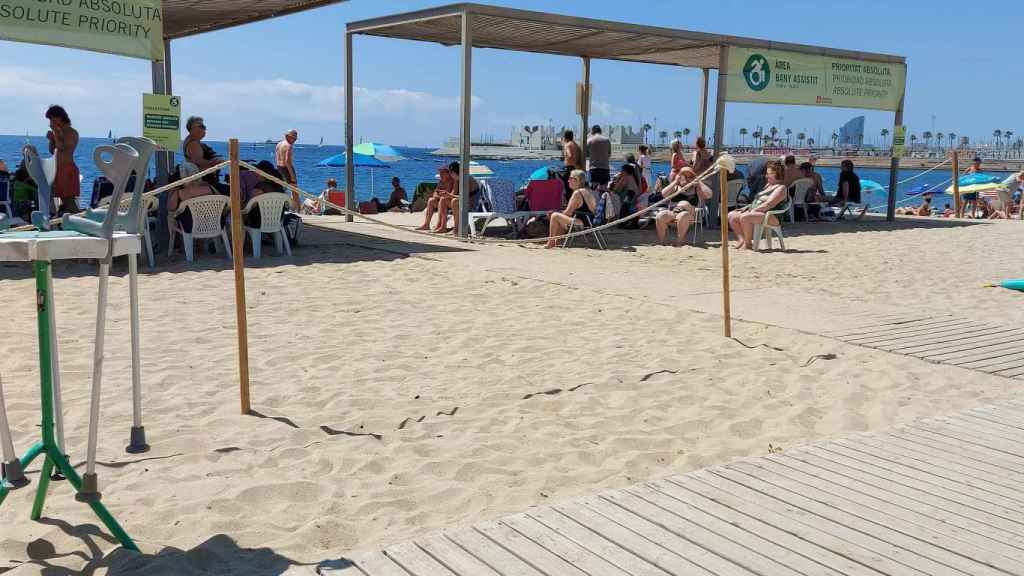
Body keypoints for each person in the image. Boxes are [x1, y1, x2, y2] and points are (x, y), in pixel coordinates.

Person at [728, 160, 788, 250]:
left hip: (772, 216)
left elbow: (769, 204)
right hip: (759, 212)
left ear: (777, 174)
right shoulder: (768, 185)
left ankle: (748, 244)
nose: (766, 176)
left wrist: (752, 210)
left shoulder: (781, 188)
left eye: (769, 174)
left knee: (745, 217)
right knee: (731, 215)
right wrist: (747, 207)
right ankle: (742, 240)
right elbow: (757, 200)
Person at [655, 167, 712, 246]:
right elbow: (664, 194)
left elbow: (709, 194)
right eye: (684, 176)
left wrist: (699, 182)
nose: (687, 178)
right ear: (679, 176)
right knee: (660, 215)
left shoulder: (696, 188)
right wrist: (675, 181)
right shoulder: (675, 188)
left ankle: (679, 241)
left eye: (690, 176)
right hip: (673, 215)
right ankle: (662, 241)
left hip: (689, 215)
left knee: (683, 211)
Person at [545, 169, 599, 249]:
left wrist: (554, 213)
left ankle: (551, 242)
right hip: (590, 223)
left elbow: (568, 213)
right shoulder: (588, 190)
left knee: (555, 216)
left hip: (582, 224)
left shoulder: (578, 193)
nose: (568, 181)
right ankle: (558, 241)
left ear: (578, 180)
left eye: (570, 178)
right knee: (559, 216)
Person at [45, 105, 80, 215]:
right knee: (64, 199)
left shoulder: (71, 133)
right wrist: (51, 140)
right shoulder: (58, 132)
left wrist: (55, 134)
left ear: (60, 117)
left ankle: (77, 218)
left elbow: (62, 147)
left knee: (68, 199)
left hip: (67, 169)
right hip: (58, 169)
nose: (51, 122)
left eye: (52, 119)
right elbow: (53, 151)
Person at [183, 116, 227, 193]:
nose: (204, 129)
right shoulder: (193, 144)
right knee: (236, 190)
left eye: (204, 126)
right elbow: (198, 163)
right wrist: (215, 162)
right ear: (192, 129)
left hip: (206, 181)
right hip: (206, 183)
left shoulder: (193, 142)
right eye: (201, 126)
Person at [434, 161, 480, 233]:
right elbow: (454, 193)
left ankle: (457, 228)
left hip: (471, 205)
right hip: (463, 202)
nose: (450, 175)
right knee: (443, 199)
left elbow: (464, 198)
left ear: (454, 173)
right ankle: (442, 227)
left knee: (454, 201)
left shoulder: (466, 179)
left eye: (450, 173)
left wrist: (449, 195)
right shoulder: (458, 179)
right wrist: (446, 195)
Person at [275, 129, 299, 210]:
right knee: (295, 191)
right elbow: (287, 162)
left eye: (295, 139)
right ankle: (297, 210)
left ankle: (281, 207)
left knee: (281, 189)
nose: (294, 140)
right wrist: (292, 175)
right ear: (287, 136)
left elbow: (277, 158)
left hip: (279, 168)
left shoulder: (278, 144)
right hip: (287, 168)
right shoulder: (289, 146)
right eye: (294, 138)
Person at [561, 130, 583, 199]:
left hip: (570, 168)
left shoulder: (568, 144)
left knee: (567, 187)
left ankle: (568, 203)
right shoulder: (575, 145)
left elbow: (570, 155)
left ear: (565, 137)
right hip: (576, 168)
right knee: (574, 187)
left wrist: (565, 158)